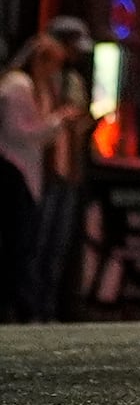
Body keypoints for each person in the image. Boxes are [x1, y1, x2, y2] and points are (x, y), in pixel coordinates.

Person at [0, 31, 84, 320]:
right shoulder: (18, 86)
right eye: (53, 64)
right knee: (19, 244)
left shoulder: (39, 88)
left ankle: (28, 306)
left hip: (28, 174)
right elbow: (19, 132)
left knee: (30, 243)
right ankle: (19, 306)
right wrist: (58, 122)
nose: (56, 72)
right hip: (14, 173)